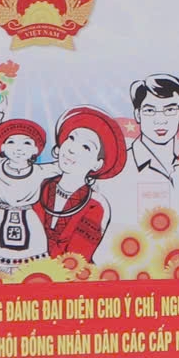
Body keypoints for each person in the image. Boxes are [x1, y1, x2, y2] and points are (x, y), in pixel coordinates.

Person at [38, 108, 125, 262]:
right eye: (71, 138)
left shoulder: (95, 204)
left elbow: (77, 258)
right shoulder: (39, 186)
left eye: (86, 147)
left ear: (97, 164)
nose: (72, 149)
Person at [120, 74, 179, 217]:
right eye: (150, 110)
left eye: (170, 110)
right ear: (138, 115)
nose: (160, 120)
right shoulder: (121, 168)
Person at [0, 116, 50, 264]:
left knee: (31, 262)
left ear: (35, 150)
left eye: (26, 143)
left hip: (29, 219)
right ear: (2, 147)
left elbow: (65, 166)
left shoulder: (41, 171)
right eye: (11, 142)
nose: (19, 148)